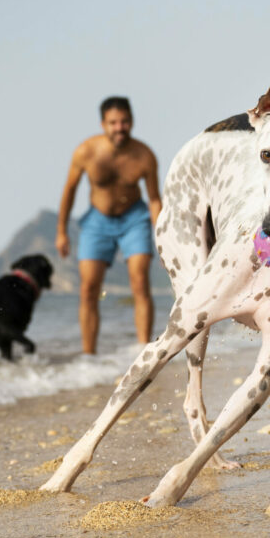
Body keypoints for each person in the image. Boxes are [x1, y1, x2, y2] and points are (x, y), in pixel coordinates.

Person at [56, 96, 161, 354]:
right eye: (113, 122)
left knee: (139, 282)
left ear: (132, 122)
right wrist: (61, 232)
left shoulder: (144, 155)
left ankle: (143, 352)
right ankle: (88, 357)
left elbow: (154, 198)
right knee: (88, 288)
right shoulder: (86, 151)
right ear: (103, 124)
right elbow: (69, 190)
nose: (119, 127)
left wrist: (161, 233)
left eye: (124, 122)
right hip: (97, 221)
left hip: (134, 219)